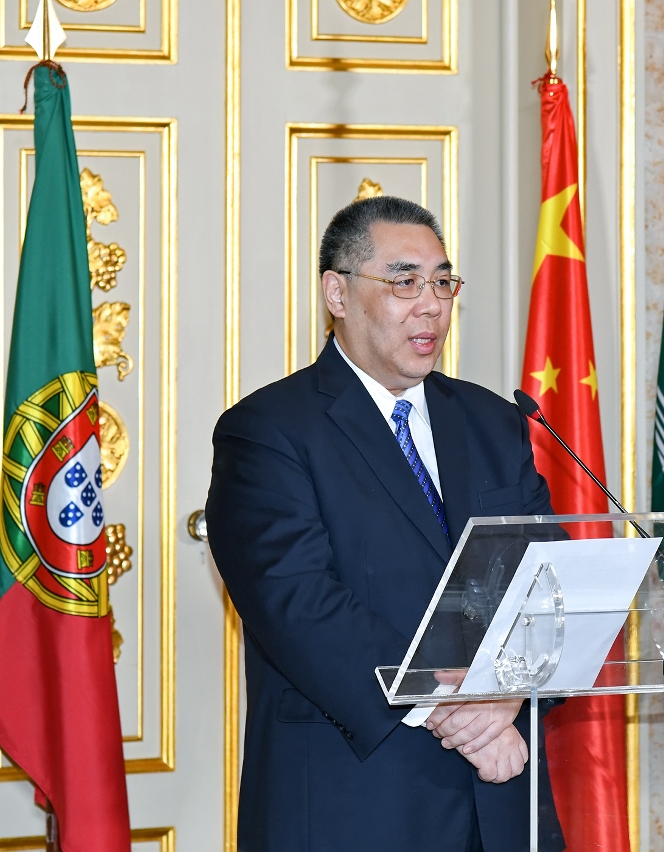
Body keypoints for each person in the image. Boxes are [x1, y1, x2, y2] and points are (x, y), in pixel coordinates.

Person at [205, 196, 561, 851]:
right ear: (337, 293)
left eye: (443, 283)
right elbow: (300, 605)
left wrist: (507, 695)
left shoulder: (493, 421)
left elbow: (548, 580)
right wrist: (457, 708)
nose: (431, 305)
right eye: (404, 282)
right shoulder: (268, 431)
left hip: (503, 798)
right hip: (355, 802)